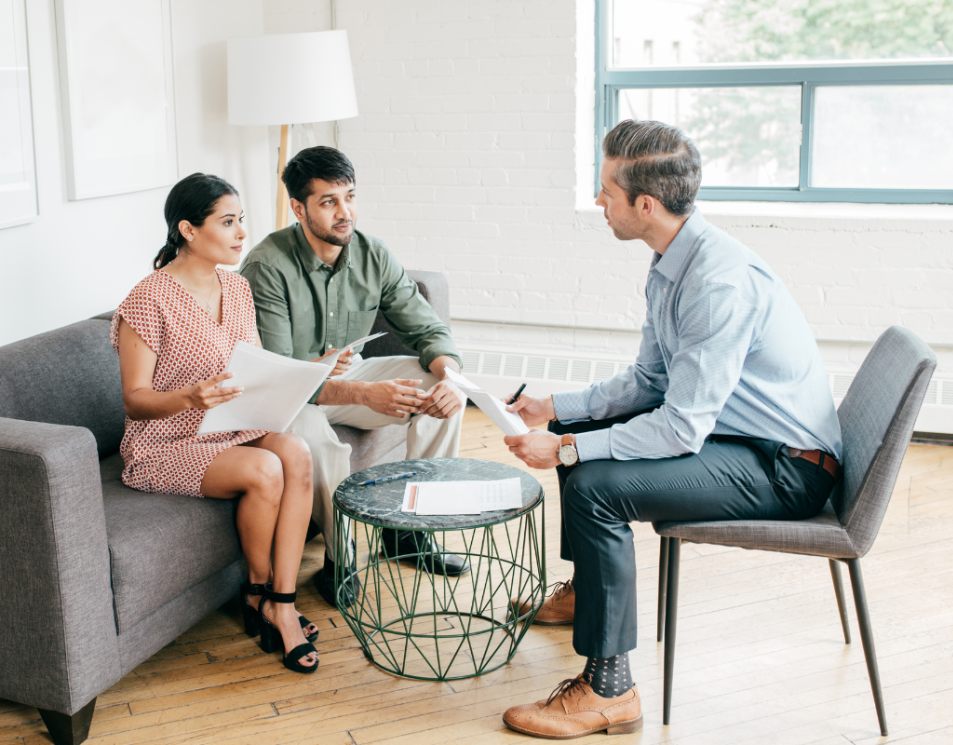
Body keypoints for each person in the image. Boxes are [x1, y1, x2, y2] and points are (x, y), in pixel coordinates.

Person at [500, 120, 843, 738]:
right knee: (586, 444)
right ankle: (591, 592)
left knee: (593, 482)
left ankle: (611, 691)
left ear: (646, 204)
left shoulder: (716, 284)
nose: (599, 202)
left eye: (606, 190)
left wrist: (569, 444)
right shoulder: (675, 258)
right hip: (737, 437)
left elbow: (680, 428)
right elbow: (648, 383)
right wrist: (556, 407)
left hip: (785, 467)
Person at [239, 146, 468, 609]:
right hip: (288, 395)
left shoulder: (371, 253)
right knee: (315, 441)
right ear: (299, 209)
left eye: (350, 196)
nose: (345, 213)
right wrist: (366, 393)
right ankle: (340, 560)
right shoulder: (267, 267)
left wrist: (449, 376)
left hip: (345, 378)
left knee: (441, 391)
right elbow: (283, 378)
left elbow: (427, 328)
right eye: (329, 202)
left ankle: (409, 533)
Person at [111, 173, 320, 674]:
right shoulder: (147, 299)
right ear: (187, 229)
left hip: (230, 425)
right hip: (163, 443)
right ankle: (256, 593)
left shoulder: (238, 286)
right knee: (266, 470)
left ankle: (282, 603)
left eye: (240, 220)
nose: (241, 233)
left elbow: (249, 366)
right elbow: (135, 401)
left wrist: (306, 371)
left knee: (296, 452)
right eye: (227, 222)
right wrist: (189, 396)